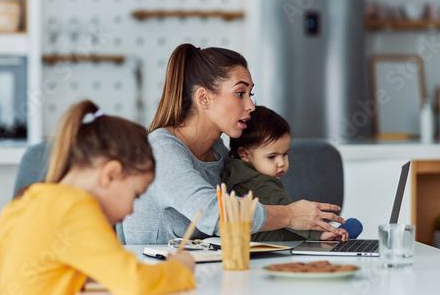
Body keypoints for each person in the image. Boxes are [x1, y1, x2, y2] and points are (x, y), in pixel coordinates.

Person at [0, 100, 195, 295]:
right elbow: (135, 283)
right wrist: (179, 269)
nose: (132, 210)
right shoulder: (77, 210)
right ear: (110, 174)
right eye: (136, 195)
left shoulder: (22, 205)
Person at [123, 43, 347, 245]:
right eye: (240, 93)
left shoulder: (217, 149)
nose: (251, 105)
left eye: (250, 93)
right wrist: (290, 215)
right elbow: (215, 215)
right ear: (203, 98)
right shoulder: (161, 151)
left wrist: (313, 232)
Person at [222, 106, 350, 242]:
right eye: (272, 157)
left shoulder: (232, 168)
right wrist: (320, 234)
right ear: (245, 154)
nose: (281, 163)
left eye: (285, 154)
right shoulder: (260, 182)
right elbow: (290, 212)